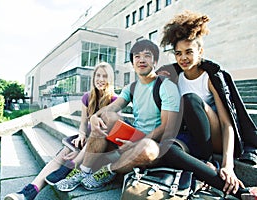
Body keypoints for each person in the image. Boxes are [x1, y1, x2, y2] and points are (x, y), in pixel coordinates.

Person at [55, 39, 182, 191]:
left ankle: (107, 171)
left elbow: (166, 127)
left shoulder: (166, 86)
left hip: (155, 144)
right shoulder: (132, 87)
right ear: (133, 62)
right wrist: (95, 117)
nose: (141, 59)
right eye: (137, 56)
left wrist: (136, 144)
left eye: (147, 55)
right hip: (133, 137)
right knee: (108, 116)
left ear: (155, 61)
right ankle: (83, 171)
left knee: (146, 147)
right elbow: (113, 107)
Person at [158, 10, 257, 199]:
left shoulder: (209, 77)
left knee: (190, 100)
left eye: (189, 52)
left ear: (200, 52)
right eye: (178, 53)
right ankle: (239, 192)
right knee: (167, 149)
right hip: (193, 135)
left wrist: (228, 165)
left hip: (216, 136)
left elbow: (227, 124)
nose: (183, 58)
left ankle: (208, 161)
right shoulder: (175, 78)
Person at [4, 62, 118, 200]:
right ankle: (29, 192)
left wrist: (83, 147)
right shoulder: (88, 97)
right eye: (98, 75)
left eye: (105, 76)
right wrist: (81, 134)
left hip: (100, 147)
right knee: (63, 153)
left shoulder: (115, 100)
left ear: (110, 79)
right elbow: (83, 123)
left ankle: (71, 165)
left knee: (83, 144)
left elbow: (107, 133)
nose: (100, 79)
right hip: (87, 140)